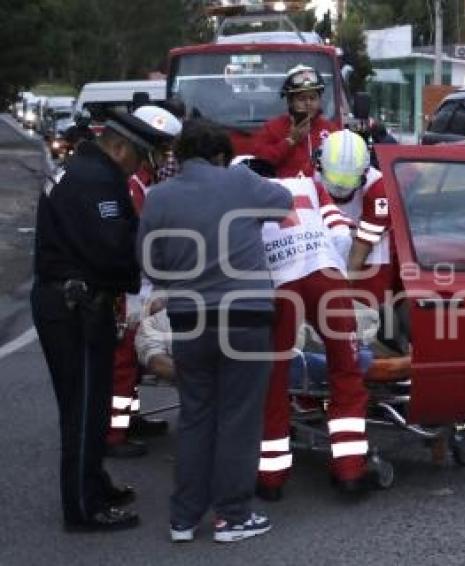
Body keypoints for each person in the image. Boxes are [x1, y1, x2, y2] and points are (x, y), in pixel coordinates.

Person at [138, 119, 292, 543]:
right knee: (238, 419)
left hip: (189, 323)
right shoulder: (239, 181)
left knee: (195, 417)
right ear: (221, 155)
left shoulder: (159, 198)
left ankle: (183, 519)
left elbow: (150, 264)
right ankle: (232, 516)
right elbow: (283, 202)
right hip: (244, 321)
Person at [31, 111, 173, 532]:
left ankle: (94, 481)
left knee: (91, 407)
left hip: (71, 301)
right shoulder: (97, 181)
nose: (140, 168)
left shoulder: (84, 169)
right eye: (140, 158)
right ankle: (83, 507)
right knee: (83, 410)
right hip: (75, 307)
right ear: (119, 148)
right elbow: (113, 250)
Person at [235, 157, 370, 501]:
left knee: (274, 379)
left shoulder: (239, 198)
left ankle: (271, 477)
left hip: (280, 284)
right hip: (326, 275)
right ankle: (350, 472)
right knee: (347, 374)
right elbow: (341, 233)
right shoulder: (308, 184)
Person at [107, 105, 182, 458]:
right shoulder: (133, 186)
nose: (166, 157)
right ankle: (114, 434)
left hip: (139, 285)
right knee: (123, 361)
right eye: (164, 149)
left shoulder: (143, 183)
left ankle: (129, 418)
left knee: (129, 363)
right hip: (131, 289)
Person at [320, 130, 395, 305]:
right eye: (334, 177)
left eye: (348, 180)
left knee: (366, 313)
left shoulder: (379, 189)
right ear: (319, 164)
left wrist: (340, 294)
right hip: (327, 249)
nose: (339, 186)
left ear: (364, 172)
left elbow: (360, 250)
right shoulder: (308, 178)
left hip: (369, 258)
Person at [252, 64, 338, 178]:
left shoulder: (331, 130)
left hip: (321, 194)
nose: (308, 103)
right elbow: (259, 163)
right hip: (286, 194)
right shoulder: (272, 129)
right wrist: (290, 141)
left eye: (312, 98)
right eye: (301, 98)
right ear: (290, 101)